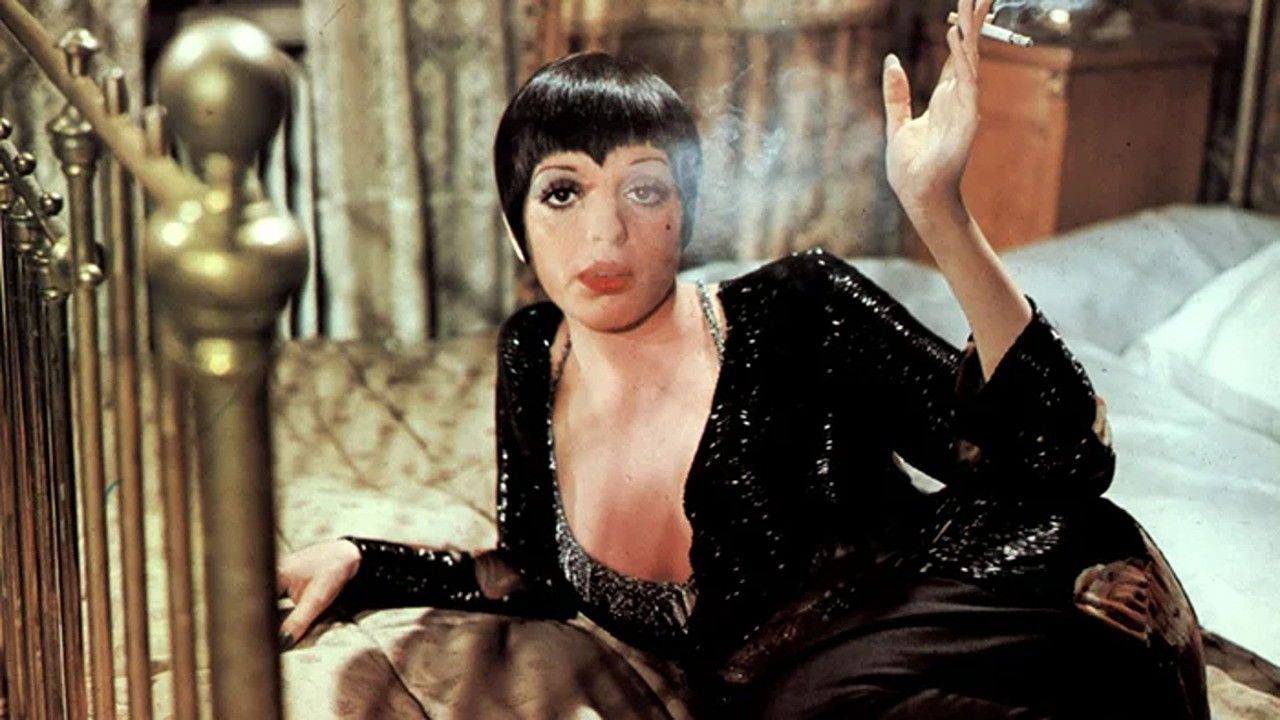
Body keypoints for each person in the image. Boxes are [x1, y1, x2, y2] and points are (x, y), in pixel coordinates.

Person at [277, 1, 1207, 716]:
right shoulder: (532, 352)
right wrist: (365, 561)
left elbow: (1061, 458)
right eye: (562, 193)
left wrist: (938, 211)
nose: (606, 231)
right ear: (517, 231)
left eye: (644, 190)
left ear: (684, 214)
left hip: (1009, 606)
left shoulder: (797, 308)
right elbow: (532, 574)